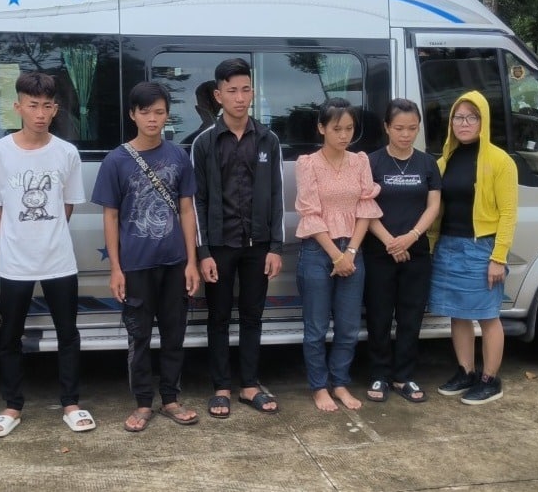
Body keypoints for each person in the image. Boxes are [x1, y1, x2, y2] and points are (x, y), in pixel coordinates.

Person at [0, 71, 94, 437]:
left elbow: (67, 204)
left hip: (59, 259)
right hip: (14, 262)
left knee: (67, 333)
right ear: (18, 107)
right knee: (10, 336)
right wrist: (16, 240)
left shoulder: (66, 153)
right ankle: (12, 405)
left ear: (56, 108)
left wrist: (48, 235)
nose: (40, 114)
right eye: (33, 105)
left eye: (47, 106)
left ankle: (71, 403)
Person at [93, 82, 201, 432]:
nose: (152, 119)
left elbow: (187, 210)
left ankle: (170, 399)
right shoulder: (116, 160)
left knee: (174, 335)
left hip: (174, 263)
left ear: (167, 115)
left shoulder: (178, 156)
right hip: (136, 265)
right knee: (138, 337)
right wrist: (116, 268)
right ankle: (142, 403)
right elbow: (110, 216)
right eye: (145, 112)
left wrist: (192, 262)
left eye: (159, 112)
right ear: (132, 114)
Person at [191, 58, 284, 417]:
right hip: (219, 246)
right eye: (232, 91)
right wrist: (203, 251)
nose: (240, 97)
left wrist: (275, 247)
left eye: (246, 89)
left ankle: (249, 385)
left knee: (252, 316)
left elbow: (276, 194)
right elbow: (197, 201)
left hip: (257, 246)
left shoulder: (268, 140)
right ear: (219, 95)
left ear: (253, 93)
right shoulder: (204, 142)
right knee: (218, 318)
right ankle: (221, 388)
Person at [430, 91, 518, 405]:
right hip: (449, 246)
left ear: (483, 121)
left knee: (488, 316)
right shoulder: (445, 160)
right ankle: (465, 372)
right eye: (458, 117)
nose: (464, 123)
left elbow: (508, 213)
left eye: (472, 117)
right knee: (458, 315)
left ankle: (490, 379)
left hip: (482, 249)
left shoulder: (500, 161)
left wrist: (498, 257)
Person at [293, 97, 382, 411]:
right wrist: (336, 255)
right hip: (318, 251)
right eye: (337, 129)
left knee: (348, 326)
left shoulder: (360, 161)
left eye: (349, 128)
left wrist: (351, 252)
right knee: (316, 327)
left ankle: (340, 383)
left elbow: (366, 208)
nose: (344, 135)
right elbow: (310, 213)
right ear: (322, 128)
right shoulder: (308, 164)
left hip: (353, 249)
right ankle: (319, 387)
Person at [363, 99, 442, 404]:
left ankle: (404, 375)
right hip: (379, 250)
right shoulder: (372, 162)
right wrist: (390, 242)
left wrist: (410, 237)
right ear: (386, 127)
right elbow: (365, 207)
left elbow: (433, 205)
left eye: (412, 128)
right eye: (399, 128)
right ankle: (379, 374)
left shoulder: (427, 163)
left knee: (411, 315)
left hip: (416, 251)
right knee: (379, 315)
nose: (406, 134)